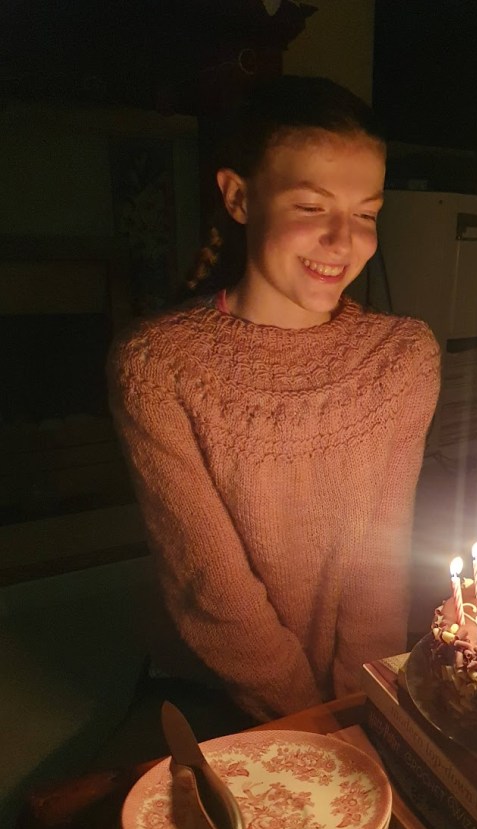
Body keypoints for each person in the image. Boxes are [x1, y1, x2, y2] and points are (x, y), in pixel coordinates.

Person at [107, 75, 440, 724]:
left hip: (351, 694)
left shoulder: (402, 358)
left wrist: (358, 705)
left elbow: (382, 560)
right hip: (220, 685)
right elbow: (210, 586)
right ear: (237, 196)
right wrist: (307, 721)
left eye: (366, 213)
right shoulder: (158, 366)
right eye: (312, 207)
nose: (344, 241)